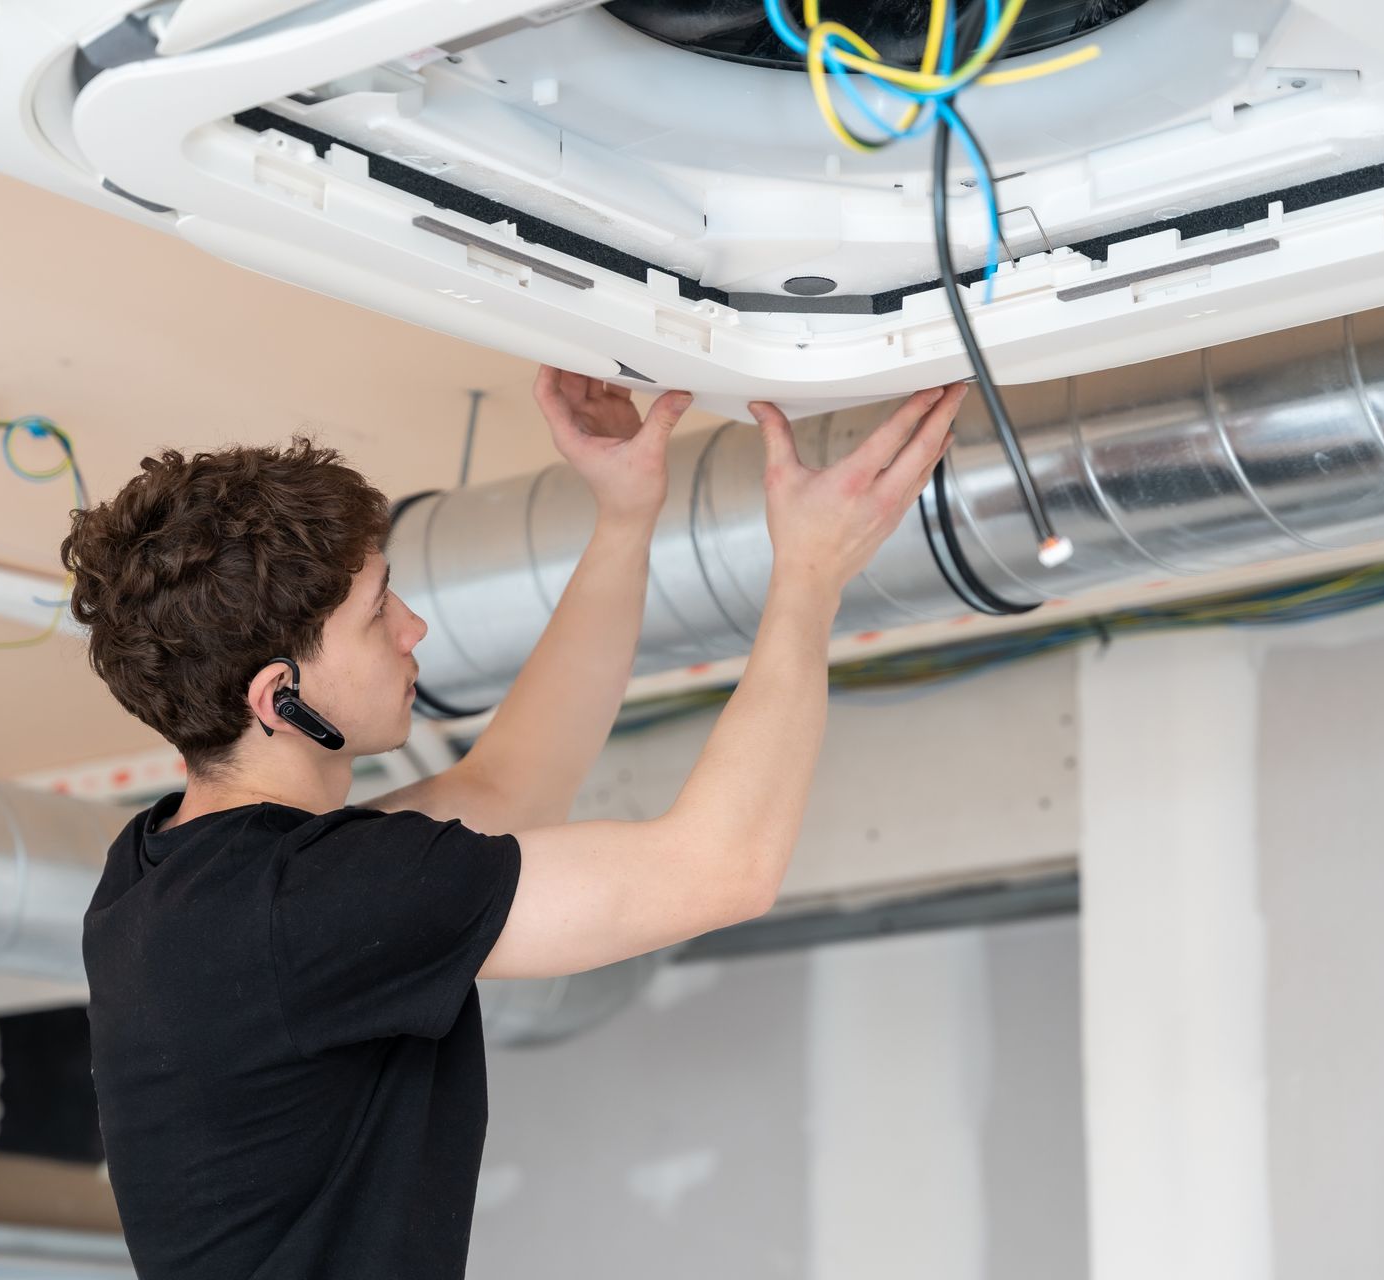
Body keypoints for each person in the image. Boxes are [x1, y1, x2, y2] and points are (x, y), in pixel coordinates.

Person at [64, 368, 966, 1279]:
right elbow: (723, 868)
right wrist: (811, 579)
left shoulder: (166, 874)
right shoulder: (290, 908)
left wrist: (624, 513)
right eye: (378, 613)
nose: (414, 628)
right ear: (279, 698)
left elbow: (508, 787)